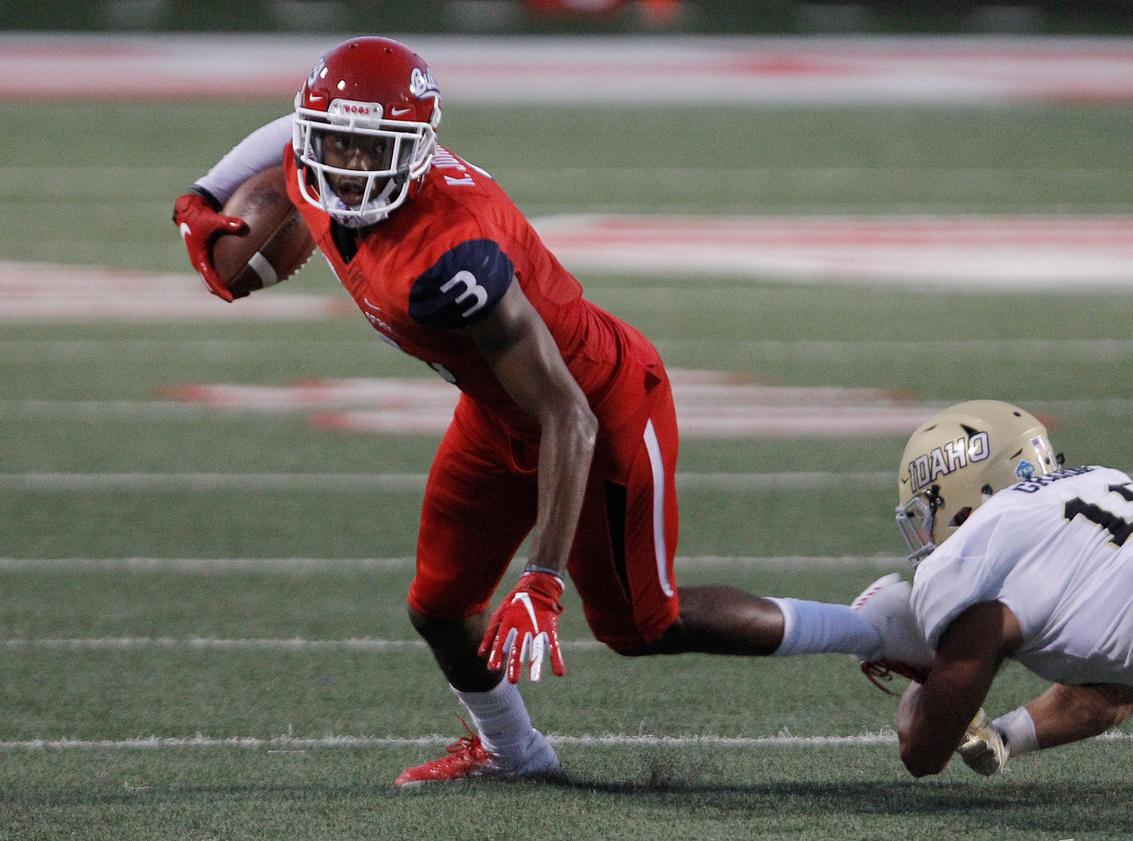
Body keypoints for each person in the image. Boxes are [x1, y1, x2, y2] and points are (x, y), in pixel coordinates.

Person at [173, 36, 929, 787]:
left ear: (416, 152)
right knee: (440, 607)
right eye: (336, 141)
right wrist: (204, 197)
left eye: (373, 149)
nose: (349, 165)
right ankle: (514, 750)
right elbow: (292, 133)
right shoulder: (315, 162)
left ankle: (875, 626)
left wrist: (542, 578)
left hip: (599, 401)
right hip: (497, 409)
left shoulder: (451, 256)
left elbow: (569, 415)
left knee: (642, 625)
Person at [882, 399, 1133, 778]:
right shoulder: (1101, 479)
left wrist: (911, 661)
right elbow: (1114, 689)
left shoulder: (983, 543)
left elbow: (923, 752)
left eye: (928, 509)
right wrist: (1004, 737)